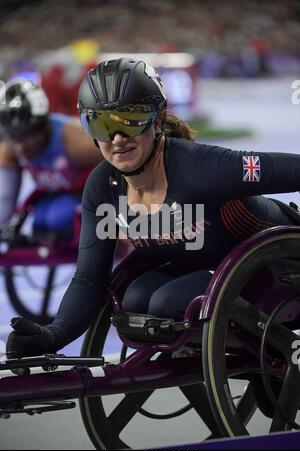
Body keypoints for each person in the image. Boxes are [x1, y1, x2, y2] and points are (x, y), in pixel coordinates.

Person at [6, 57, 300, 358]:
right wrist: (53, 336)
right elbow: (89, 279)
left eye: (130, 120)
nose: (118, 139)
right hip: (201, 268)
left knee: (165, 303)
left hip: (278, 266)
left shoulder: (200, 167)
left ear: (157, 120)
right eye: (102, 124)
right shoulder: (102, 187)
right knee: (135, 297)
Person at [0, 77, 103, 236]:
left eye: (26, 136)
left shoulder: (75, 141)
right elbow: (4, 201)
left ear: (43, 126)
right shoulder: (9, 150)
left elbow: (123, 163)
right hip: (52, 196)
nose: (20, 147)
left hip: (88, 194)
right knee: (39, 221)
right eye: (14, 137)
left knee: (57, 218)